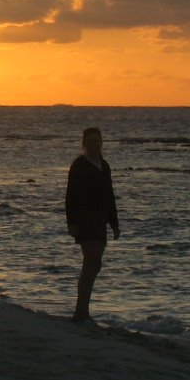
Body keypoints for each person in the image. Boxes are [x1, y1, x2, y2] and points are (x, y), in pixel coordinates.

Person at [65, 127, 120, 322]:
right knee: (92, 262)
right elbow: (70, 196)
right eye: (90, 141)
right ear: (84, 144)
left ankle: (82, 311)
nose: (94, 144)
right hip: (84, 218)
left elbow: (109, 195)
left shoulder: (104, 166)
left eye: (97, 141)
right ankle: (81, 312)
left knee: (93, 265)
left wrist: (114, 223)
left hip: (101, 219)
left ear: (101, 143)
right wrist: (71, 222)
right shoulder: (79, 165)